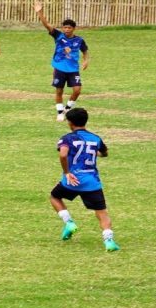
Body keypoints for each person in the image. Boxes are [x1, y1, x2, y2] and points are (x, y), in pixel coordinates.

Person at [49, 108, 119, 252]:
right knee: (102, 213)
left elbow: (63, 155)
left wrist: (67, 172)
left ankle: (68, 222)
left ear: (70, 122)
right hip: (91, 182)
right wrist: (95, 153)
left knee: (55, 197)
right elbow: (104, 153)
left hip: (72, 180)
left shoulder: (67, 138)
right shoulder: (95, 138)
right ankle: (109, 240)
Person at [34, 1, 90, 122]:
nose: (67, 29)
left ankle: (68, 108)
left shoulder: (79, 40)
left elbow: (85, 51)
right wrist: (40, 13)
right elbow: (47, 25)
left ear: (74, 28)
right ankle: (60, 112)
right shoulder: (58, 36)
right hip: (59, 67)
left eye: (69, 28)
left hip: (73, 69)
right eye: (65, 27)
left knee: (77, 90)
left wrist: (86, 61)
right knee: (59, 90)